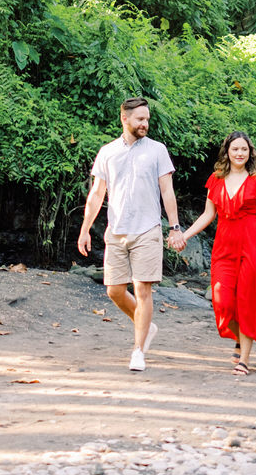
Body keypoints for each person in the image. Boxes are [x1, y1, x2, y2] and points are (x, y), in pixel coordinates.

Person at [78, 97, 184, 372]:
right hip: (116, 231)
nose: (144, 124)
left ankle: (138, 350)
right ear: (124, 119)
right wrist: (85, 229)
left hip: (148, 229)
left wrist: (174, 227)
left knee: (142, 289)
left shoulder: (157, 150)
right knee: (114, 290)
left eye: (147, 119)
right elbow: (97, 193)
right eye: (139, 119)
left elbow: (167, 191)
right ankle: (145, 325)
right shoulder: (108, 152)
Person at [174, 130, 256, 376]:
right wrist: (185, 234)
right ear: (227, 152)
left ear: (250, 152)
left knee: (247, 300)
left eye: (244, 149)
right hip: (224, 244)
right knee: (222, 299)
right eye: (235, 149)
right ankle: (239, 337)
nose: (240, 153)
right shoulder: (216, 178)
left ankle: (243, 360)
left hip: (253, 243)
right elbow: (208, 214)